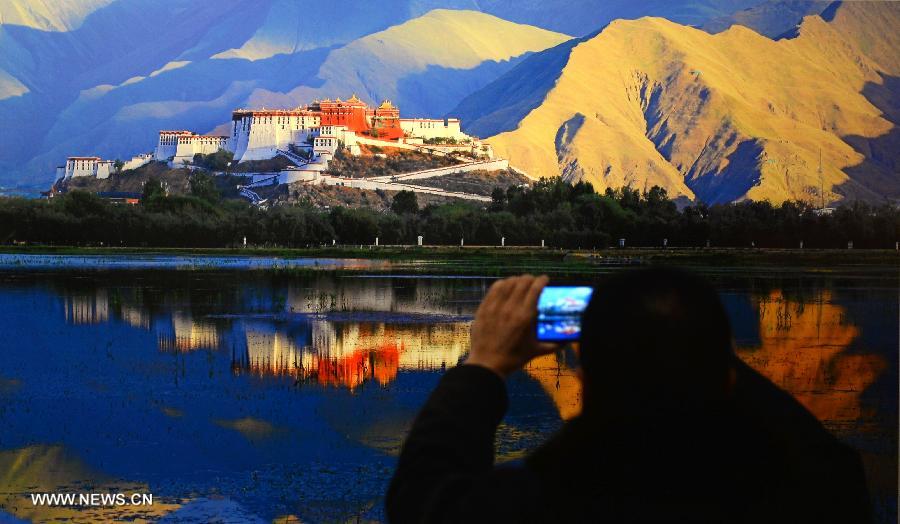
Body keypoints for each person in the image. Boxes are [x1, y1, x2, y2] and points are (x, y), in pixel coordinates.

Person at [386, 268, 872, 523]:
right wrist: (682, 335)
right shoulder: (819, 496)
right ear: (725, 377)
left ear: (588, 381)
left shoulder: (544, 504)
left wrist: (484, 365)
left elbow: (422, 497)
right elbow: (822, 454)